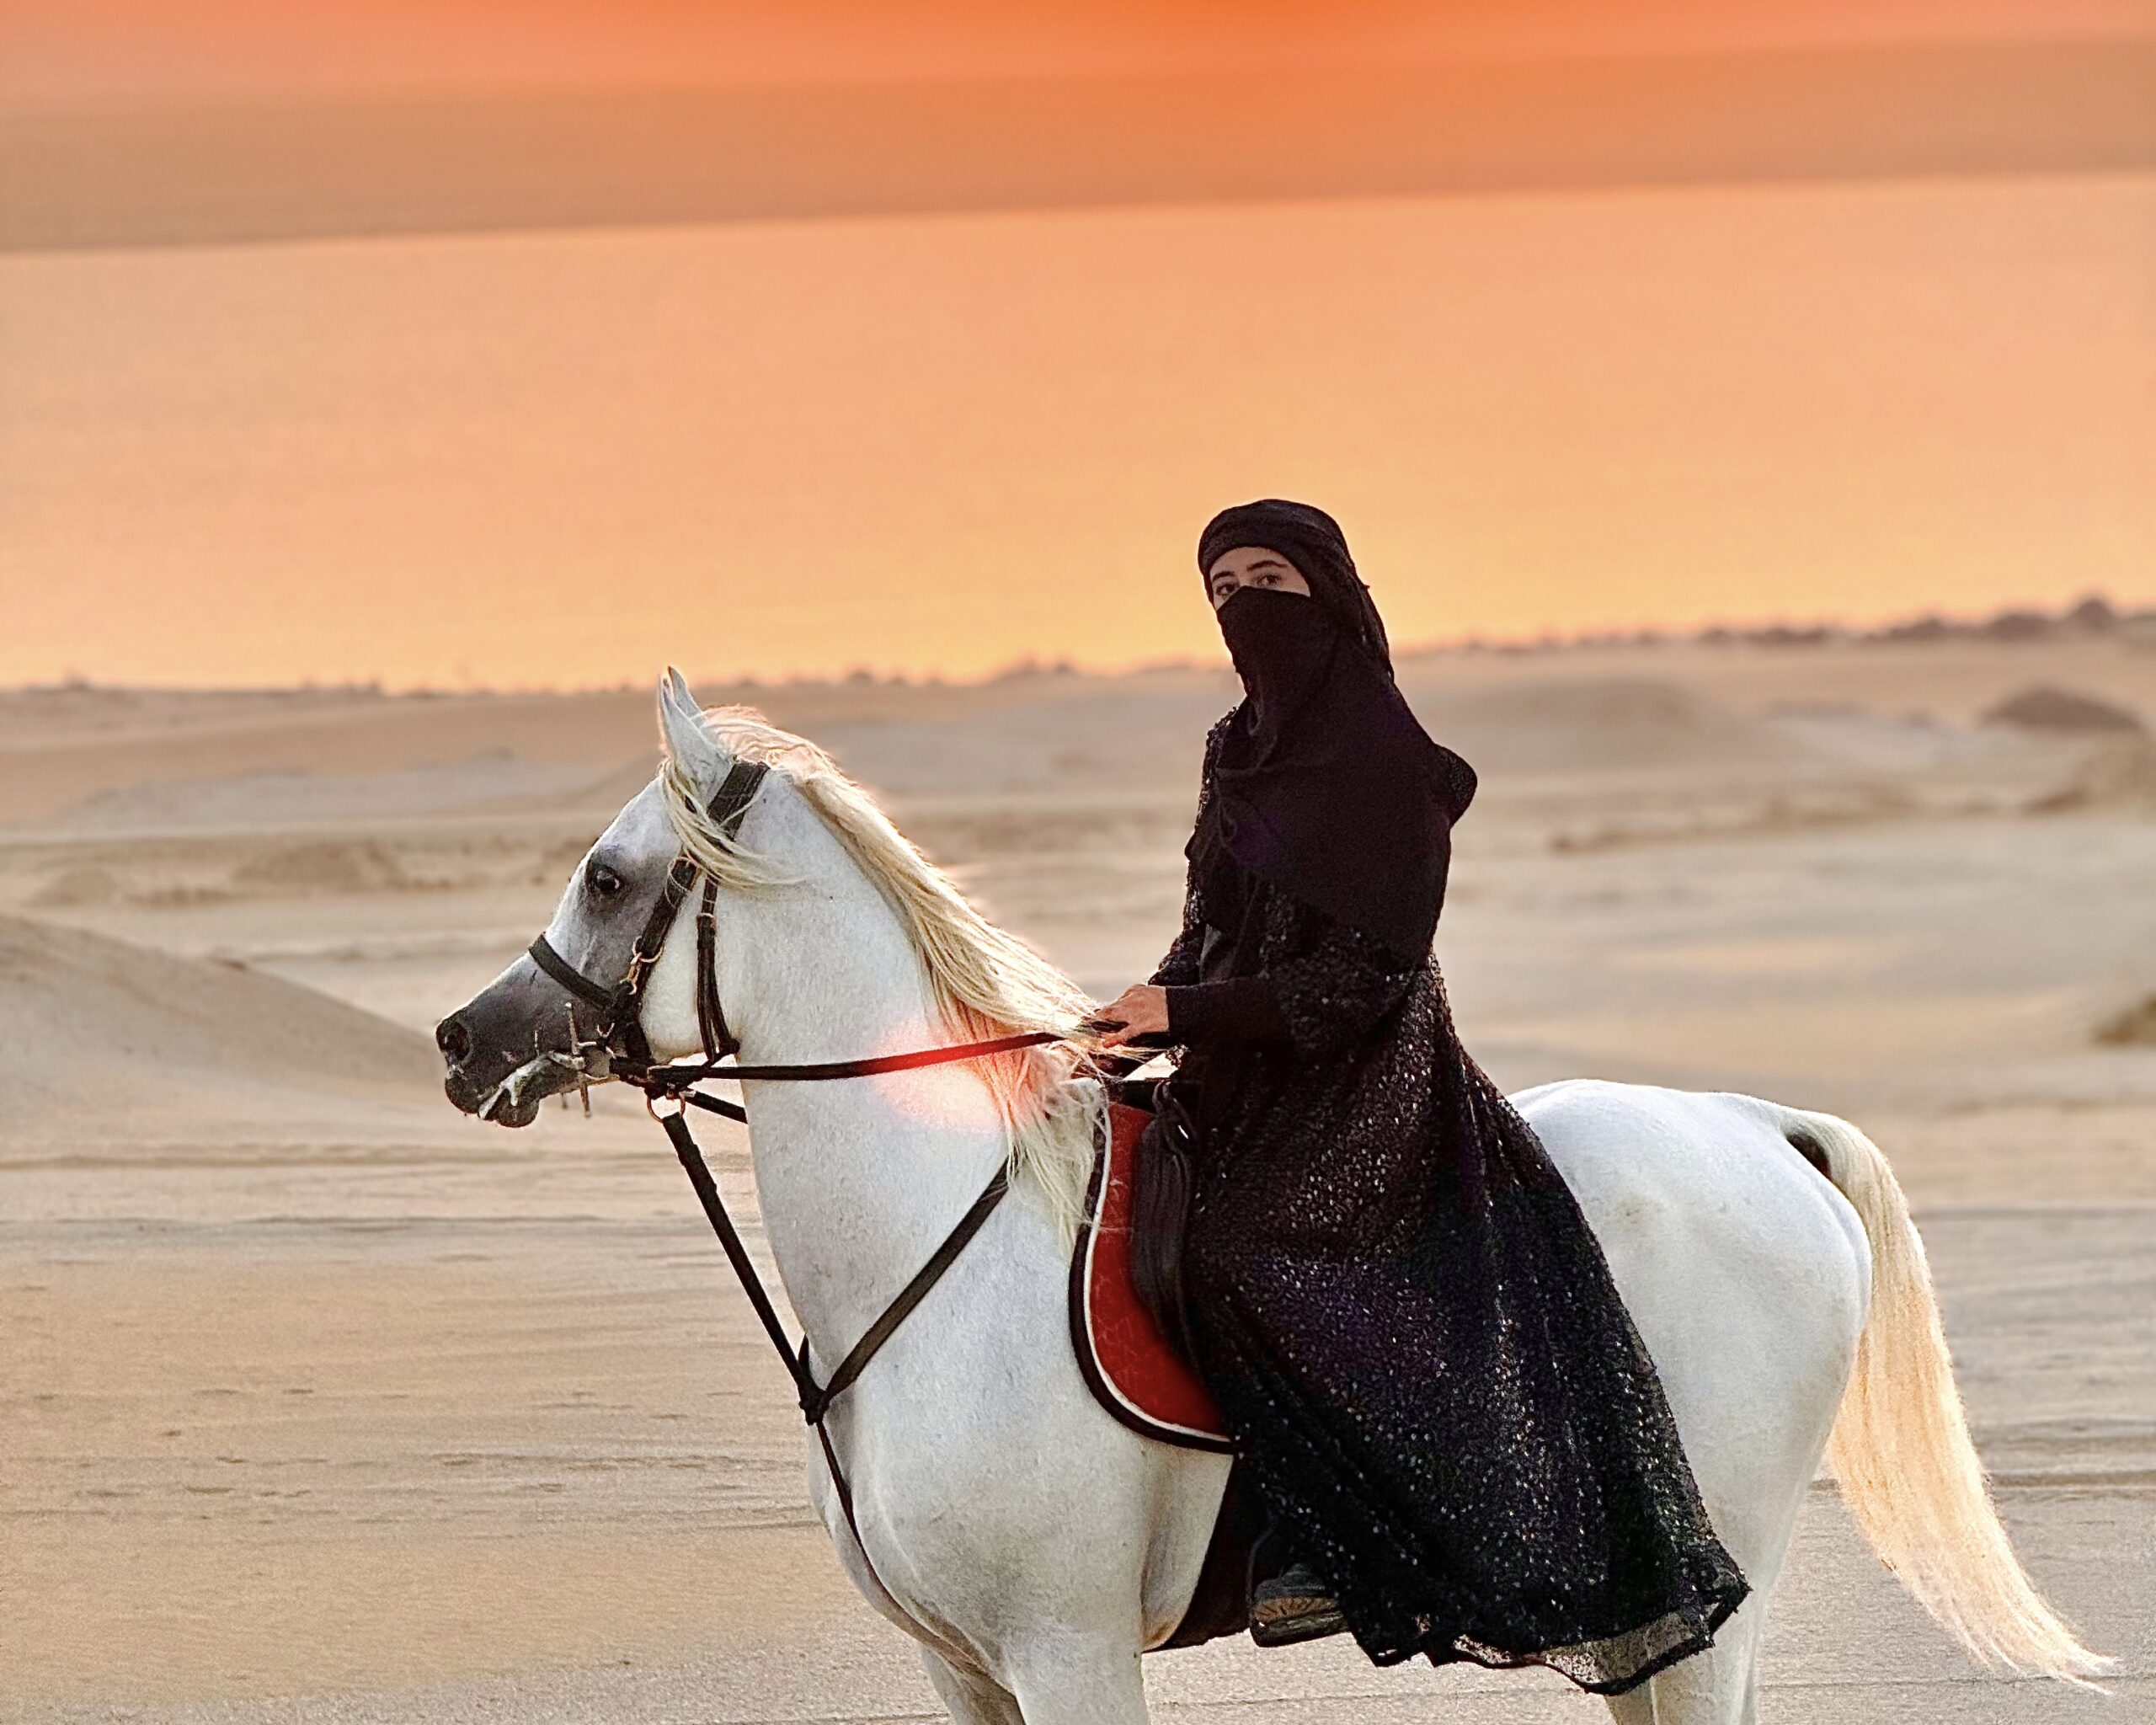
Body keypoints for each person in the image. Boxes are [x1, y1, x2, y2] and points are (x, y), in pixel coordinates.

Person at [1094, 499, 1748, 1695]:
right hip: (1238, 1060)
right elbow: (1212, 927)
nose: (1245, 607)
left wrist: (1187, 1014)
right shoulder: (1233, 747)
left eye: (1269, 581)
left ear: (1330, 594)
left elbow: (1362, 979)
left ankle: (1326, 1542)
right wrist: (1131, 1022)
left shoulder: (1389, 765)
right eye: (1223, 589)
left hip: (1361, 1072)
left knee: (1244, 1250)